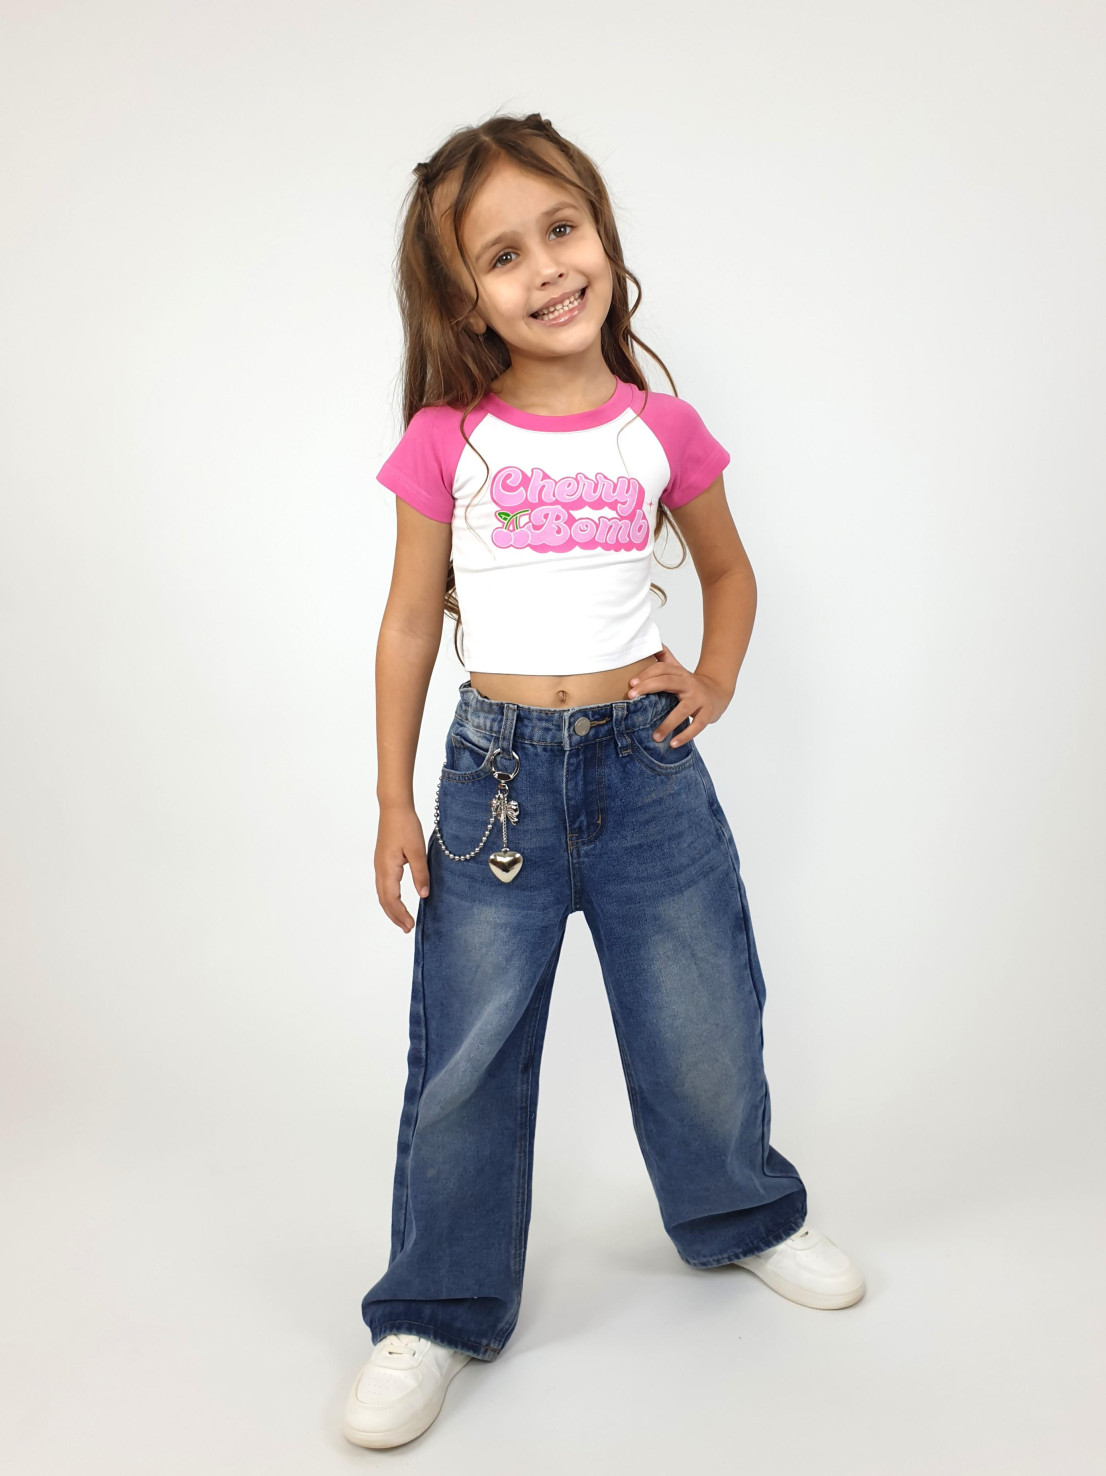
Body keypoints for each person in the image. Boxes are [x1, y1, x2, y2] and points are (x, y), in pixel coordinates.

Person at [341, 112, 865, 1451]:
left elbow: (729, 572)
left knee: (702, 1018)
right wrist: (395, 799)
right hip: (496, 783)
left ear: (603, 236)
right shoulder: (446, 441)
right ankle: (436, 1306)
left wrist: (714, 679)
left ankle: (742, 1214)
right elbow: (407, 624)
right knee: (467, 1057)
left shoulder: (660, 430)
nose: (546, 269)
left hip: (647, 776)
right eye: (503, 255)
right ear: (467, 298)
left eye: (560, 229)